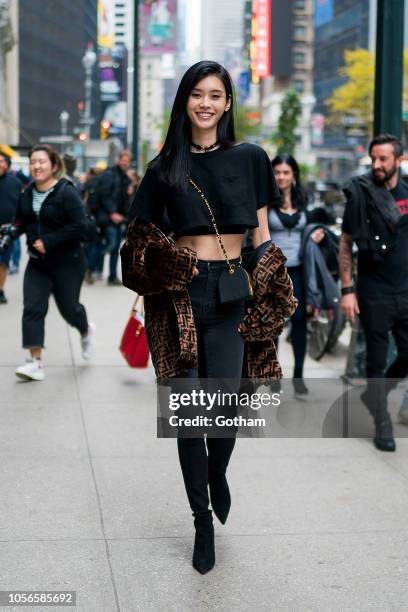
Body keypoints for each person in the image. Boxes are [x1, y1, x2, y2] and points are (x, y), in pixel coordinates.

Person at [125, 61, 297, 574]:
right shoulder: (164, 168)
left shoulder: (251, 158)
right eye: (196, 94)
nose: (205, 103)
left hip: (232, 292)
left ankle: (216, 471)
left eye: (215, 95)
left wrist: (272, 289)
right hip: (178, 294)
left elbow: (262, 232)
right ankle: (201, 521)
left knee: (224, 408)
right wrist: (157, 266)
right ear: (185, 102)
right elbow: (138, 237)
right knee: (189, 417)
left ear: (227, 104)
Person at [340, 134, 408, 452]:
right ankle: (382, 421)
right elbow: (345, 242)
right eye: (374, 159)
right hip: (374, 290)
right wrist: (347, 290)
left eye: (383, 159)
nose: (377, 165)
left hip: (405, 289)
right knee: (377, 360)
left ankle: (374, 394)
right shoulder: (360, 192)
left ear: (399, 160)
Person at [13, 144, 95, 381]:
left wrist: (49, 240)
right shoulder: (26, 193)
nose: (36, 166)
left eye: (41, 162)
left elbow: (81, 225)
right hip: (38, 263)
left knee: (69, 309)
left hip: (67, 263)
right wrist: (9, 233)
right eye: (33, 162)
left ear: (54, 165)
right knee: (32, 308)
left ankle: (85, 329)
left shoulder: (65, 192)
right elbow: (22, 221)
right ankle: (35, 362)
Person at [269, 154, 325, 395]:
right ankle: (273, 374)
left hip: (299, 270)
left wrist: (317, 233)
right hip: (273, 270)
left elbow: (313, 227)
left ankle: (299, 376)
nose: (281, 177)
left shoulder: (303, 200)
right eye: (277, 172)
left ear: (293, 176)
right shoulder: (266, 199)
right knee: (273, 324)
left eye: (285, 172)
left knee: (300, 321)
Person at [98, 150, 132, 285]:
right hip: (108, 217)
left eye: (127, 161)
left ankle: (112, 276)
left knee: (116, 248)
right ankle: (92, 263)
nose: (125, 163)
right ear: (119, 160)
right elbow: (104, 195)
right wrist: (112, 213)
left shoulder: (125, 178)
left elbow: (125, 200)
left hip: (119, 218)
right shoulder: (110, 174)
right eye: (123, 160)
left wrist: (129, 192)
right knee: (111, 244)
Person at [0, 152, 23, 303]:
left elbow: (21, 204)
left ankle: (0, 290)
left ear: (7, 165)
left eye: (2, 161)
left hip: (6, 230)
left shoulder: (15, 182)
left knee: (3, 262)